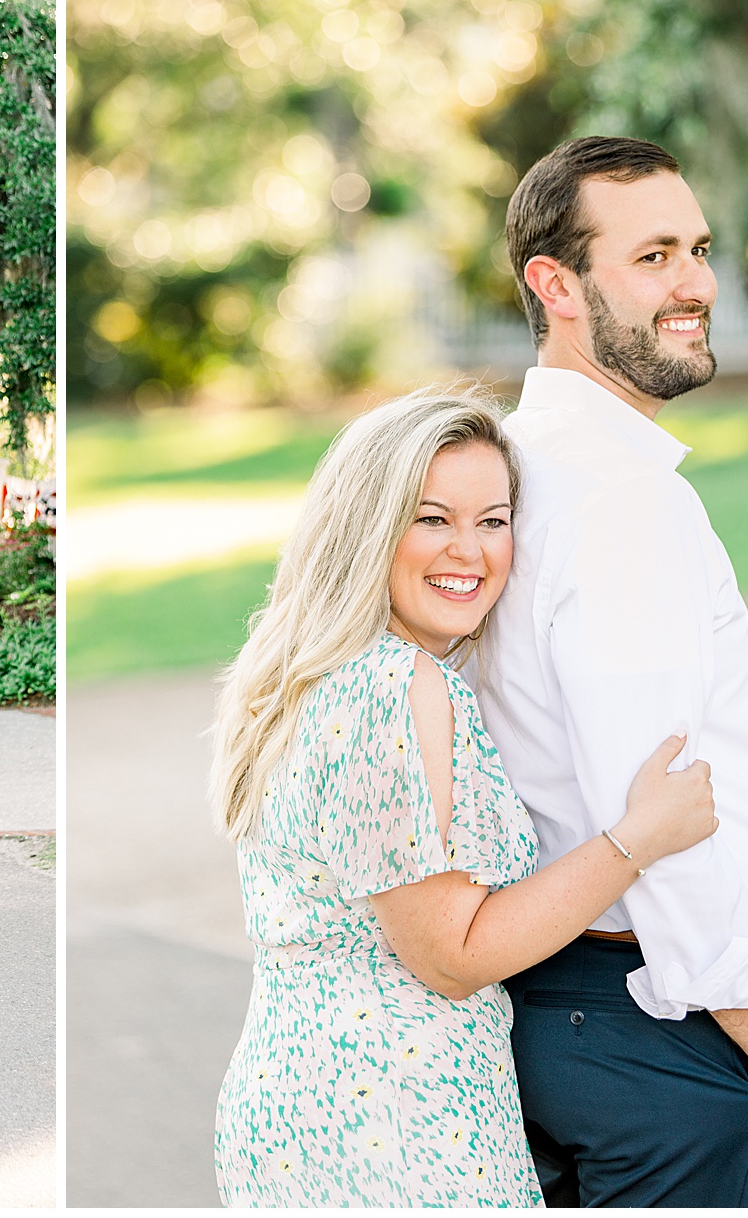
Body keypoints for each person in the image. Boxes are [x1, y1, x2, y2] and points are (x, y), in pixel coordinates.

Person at [208, 389, 719, 1207]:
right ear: (368, 527)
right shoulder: (397, 687)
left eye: (493, 520)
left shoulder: (312, 672)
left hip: (300, 1104)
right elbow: (451, 956)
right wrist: (638, 840)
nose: (470, 551)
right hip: (401, 1124)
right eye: (432, 517)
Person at [477, 135, 748, 1205]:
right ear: (557, 284)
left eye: (700, 249)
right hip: (666, 1024)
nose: (698, 284)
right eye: (655, 256)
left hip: (562, 1009)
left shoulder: (510, 472)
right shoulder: (620, 498)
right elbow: (661, 800)